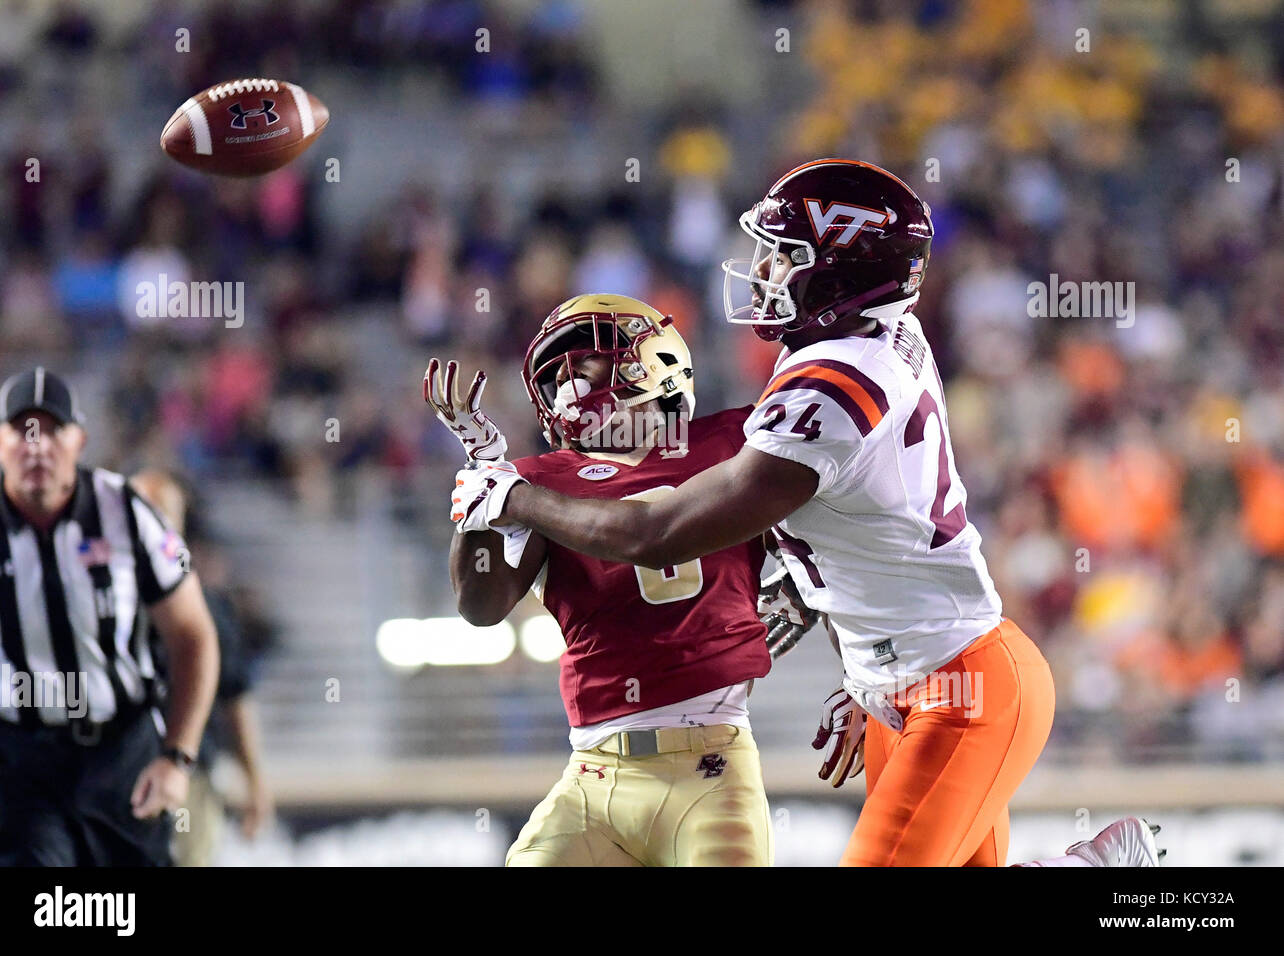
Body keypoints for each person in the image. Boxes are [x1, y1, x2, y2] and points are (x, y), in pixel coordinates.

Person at [449, 161, 1162, 867]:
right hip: (915, 683)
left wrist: (513, 494)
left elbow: (654, 533)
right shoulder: (864, 345)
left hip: (962, 685)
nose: (761, 269)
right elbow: (856, 522)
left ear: (842, 272)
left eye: (785, 255)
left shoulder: (833, 385)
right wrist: (866, 674)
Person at [429, 293, 819, 867]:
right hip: (593, 773)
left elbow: (847, 507)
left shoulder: (734, 439)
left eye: (581, 363)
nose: (566, 384)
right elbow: (481, 605)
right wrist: (484, 481)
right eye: (555, 376)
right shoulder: (536, 479)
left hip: (711, 764)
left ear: (651, 362)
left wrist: (813, 587)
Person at [0, 367, 219, 866]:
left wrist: (177, 756)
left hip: (120, 755)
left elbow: (193, 635)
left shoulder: (128, 512)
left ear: (80, 440)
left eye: (52, 430)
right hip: (17, 760)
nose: (37, 446)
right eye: (23, 431)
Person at [131, 469, 274, 866]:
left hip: (187, 776)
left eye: (162, 513)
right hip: (114, 774)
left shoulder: (208, 609)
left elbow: (236, 698)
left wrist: (255, 782)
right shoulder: (96, 603)